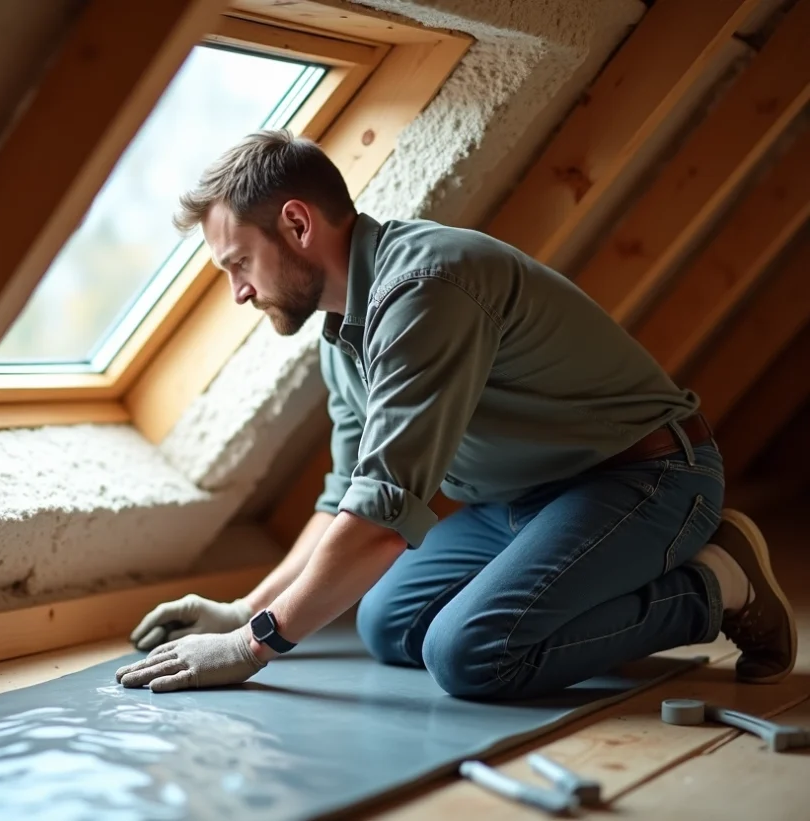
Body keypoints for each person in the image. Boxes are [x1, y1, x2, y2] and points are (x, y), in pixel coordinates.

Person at [114, 129, 796, 699]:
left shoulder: (424, 287)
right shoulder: (341, 335)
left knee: (471, 654)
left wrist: (251, 646)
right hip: (521, 500)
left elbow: (381, 520)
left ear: (296, 223)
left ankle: (718, 582)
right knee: (386, 624)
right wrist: (246, 609)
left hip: (647, 476)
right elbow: (344, 498)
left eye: (238, 262)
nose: (237, 292)